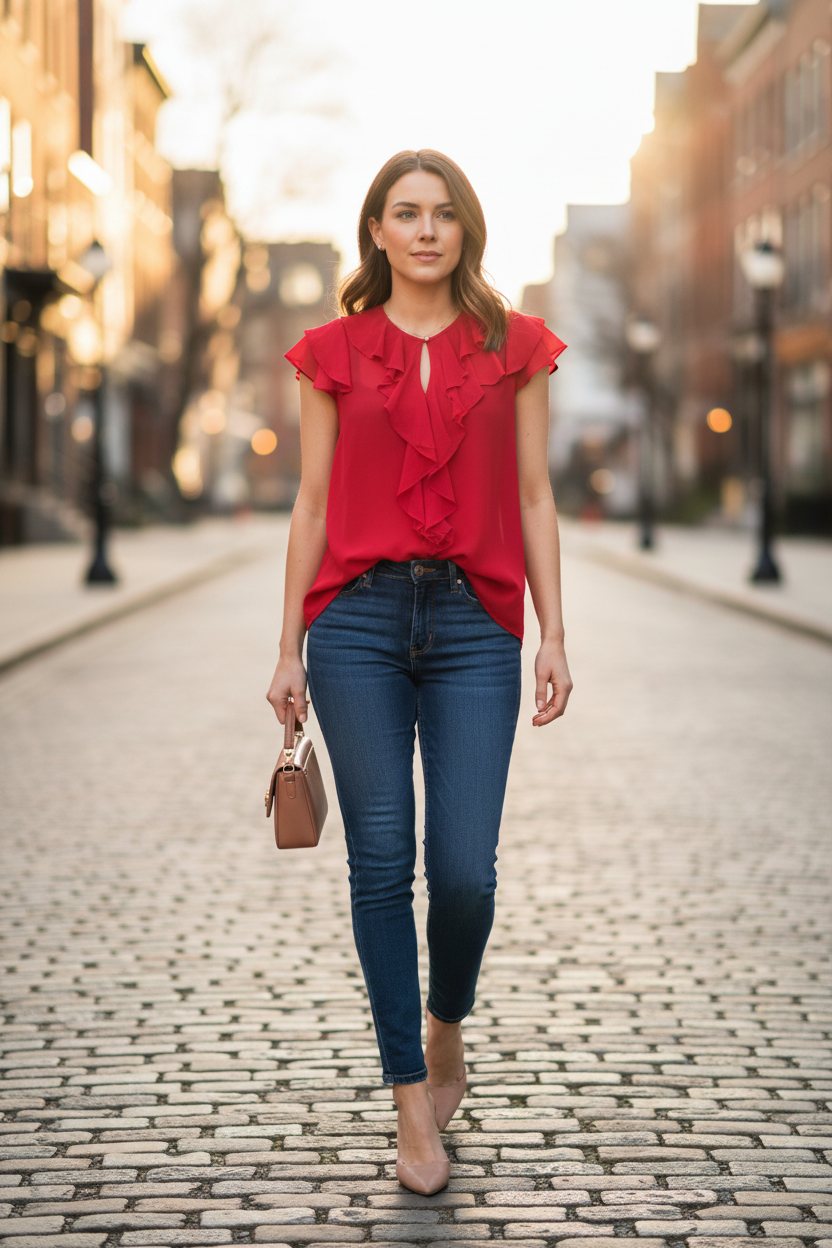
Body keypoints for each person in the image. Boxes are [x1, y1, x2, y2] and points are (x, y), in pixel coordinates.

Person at [267, 149, 572, 1195]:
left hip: (476, 624)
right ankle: (409, 1099)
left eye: (444, 213)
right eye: (406, 213)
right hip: (354, 624)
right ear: (378, 231)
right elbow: (312, 502)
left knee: (466, 873)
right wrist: (286, 647)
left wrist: (554, 633)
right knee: (380, 865)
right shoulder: (330, 354)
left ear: (466, 229)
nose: (427, 230)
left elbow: (534, 495)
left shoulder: (516, 347)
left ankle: (448, 1023)